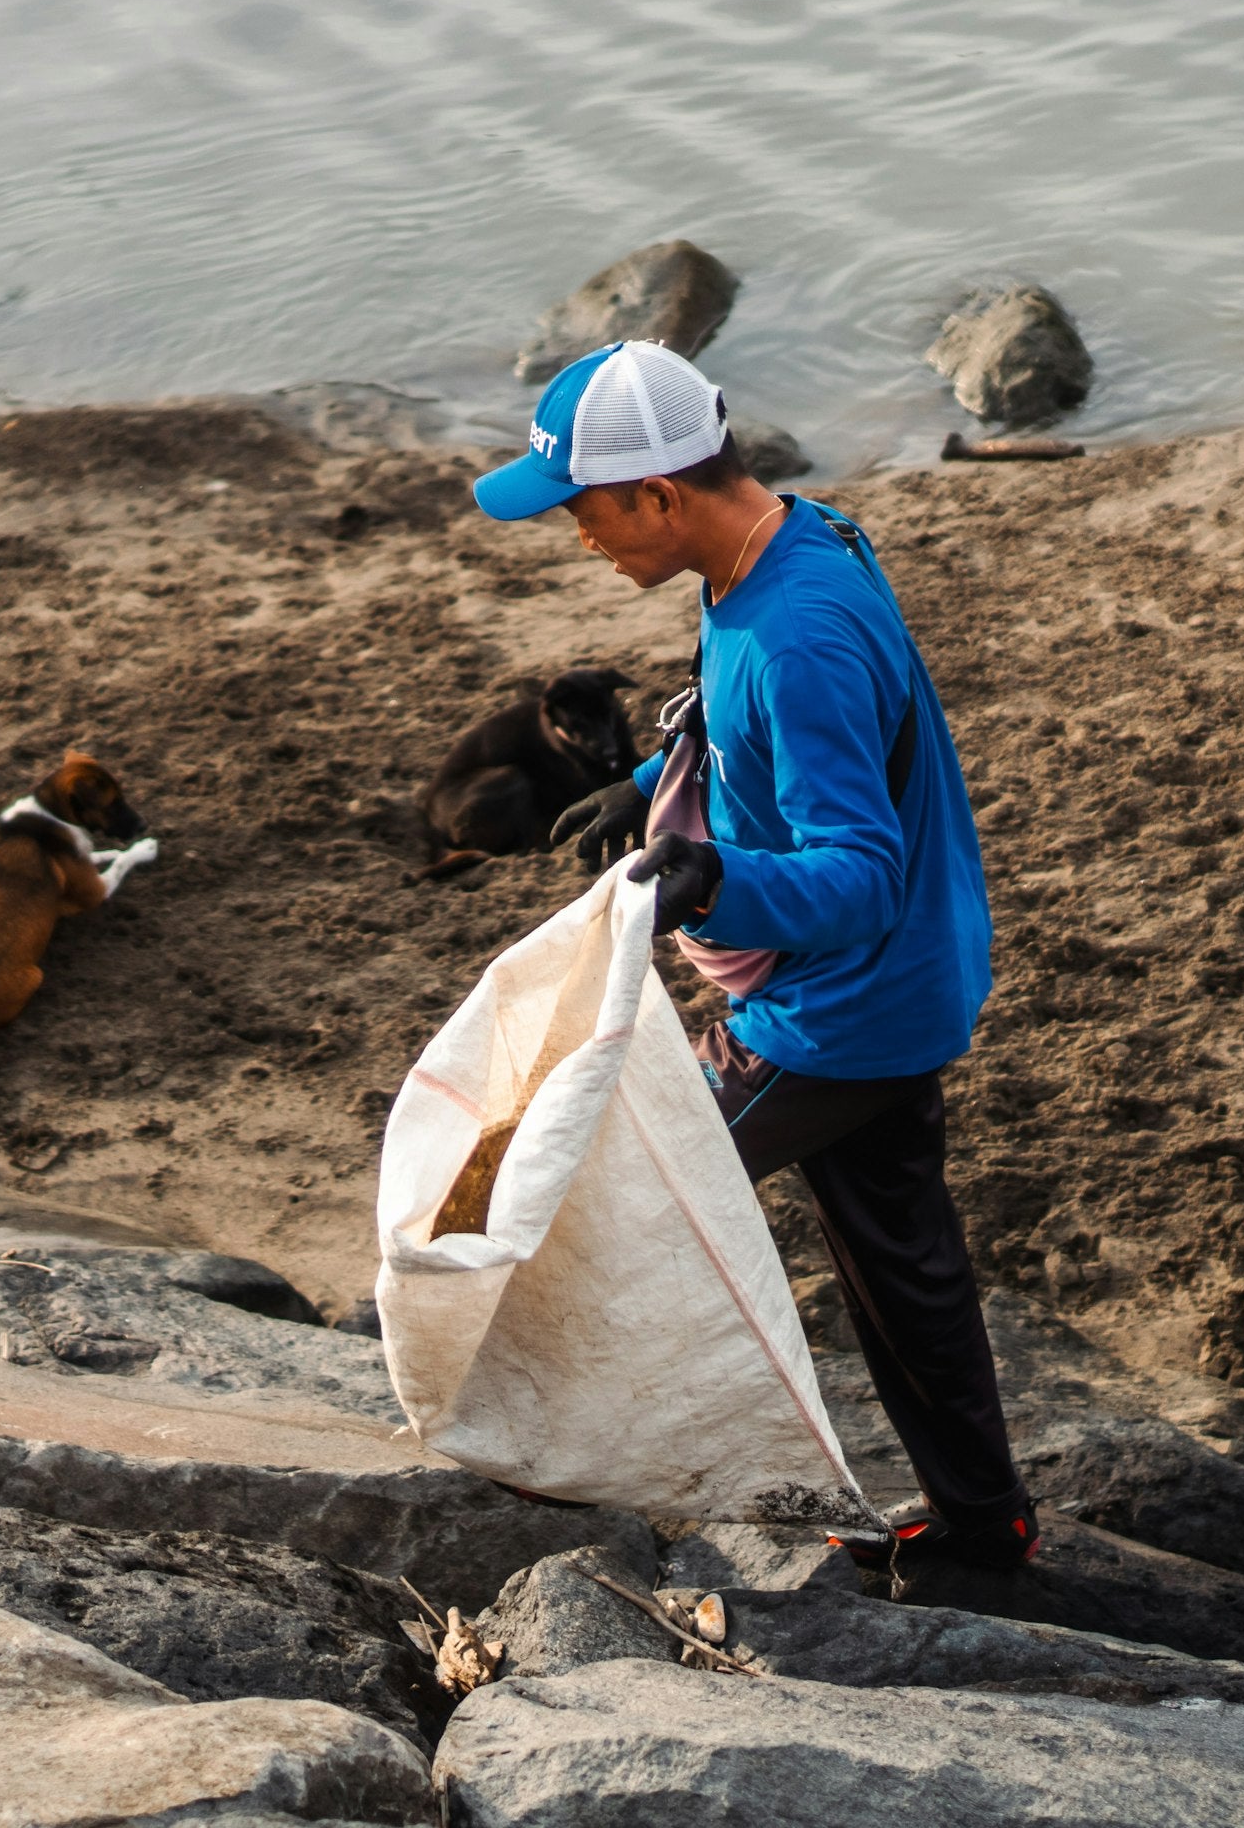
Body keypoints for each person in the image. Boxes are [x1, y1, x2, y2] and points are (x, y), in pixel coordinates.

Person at [470, 339, 1035, 1573]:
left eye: (581, 511)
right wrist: (643, 784)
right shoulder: (792, 538)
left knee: (609, 1203)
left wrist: (716, 875)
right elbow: (753, 739)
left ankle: (530, 1459)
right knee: (899, 1264)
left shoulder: (796, 635)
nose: (577, 537)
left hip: (840, 1009)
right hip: (903, 980)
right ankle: (986, 1530)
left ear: (656, 494)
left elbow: (860, 870)